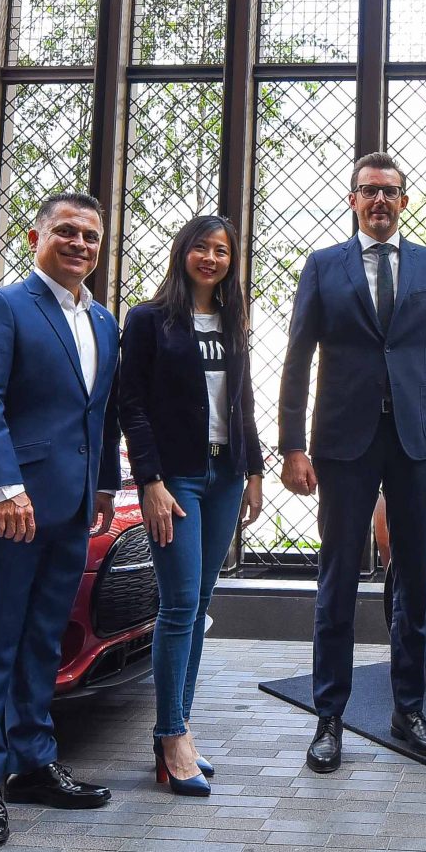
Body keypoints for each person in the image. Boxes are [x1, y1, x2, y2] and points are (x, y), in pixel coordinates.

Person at [280, 151, 426, 773]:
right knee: (338, 579)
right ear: (353, 200)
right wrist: (291, 446)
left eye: (390, 191)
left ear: (404, 201)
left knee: (415, 579)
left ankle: (408, 709)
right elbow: (297, 359)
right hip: (343, 443)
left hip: (417, 441)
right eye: (369, 191)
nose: (380, 201)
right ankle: (329, 717)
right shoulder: (323, 266)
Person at [0, 192, 122, 849]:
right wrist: (6, 487)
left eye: (91, 236)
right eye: (66, 231)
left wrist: (103, 484)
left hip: (71, 507)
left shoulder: (102, 320)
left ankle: (32, 760)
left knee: (45, 640)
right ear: (35, 237)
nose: (80, 244)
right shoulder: (1, 306)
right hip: (8, 510)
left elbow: (98, 411)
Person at [115, 215, 265, 796]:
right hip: (176, 477)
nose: (211, 258)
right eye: (201, 247)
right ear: (183, 253)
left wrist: (253, 471)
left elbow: (242, 400)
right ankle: (171, 734)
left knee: (199, 603)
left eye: (221, 251)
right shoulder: (149, 320)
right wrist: (149, 480)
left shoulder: (232, 321)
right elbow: (131, 405)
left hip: (225, 474)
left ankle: (178, 728)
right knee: (178, 606)